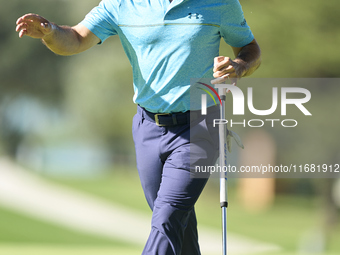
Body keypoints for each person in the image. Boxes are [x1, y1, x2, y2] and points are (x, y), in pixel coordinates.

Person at [16, 0, 261, 254]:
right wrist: (51, 32)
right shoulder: (122, 4)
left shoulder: (220, 3)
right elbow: (76, 38)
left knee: (167, 219)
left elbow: (250, 48)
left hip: (199, 126)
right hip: (148, 128)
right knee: (177, 223)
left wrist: (238, 67)